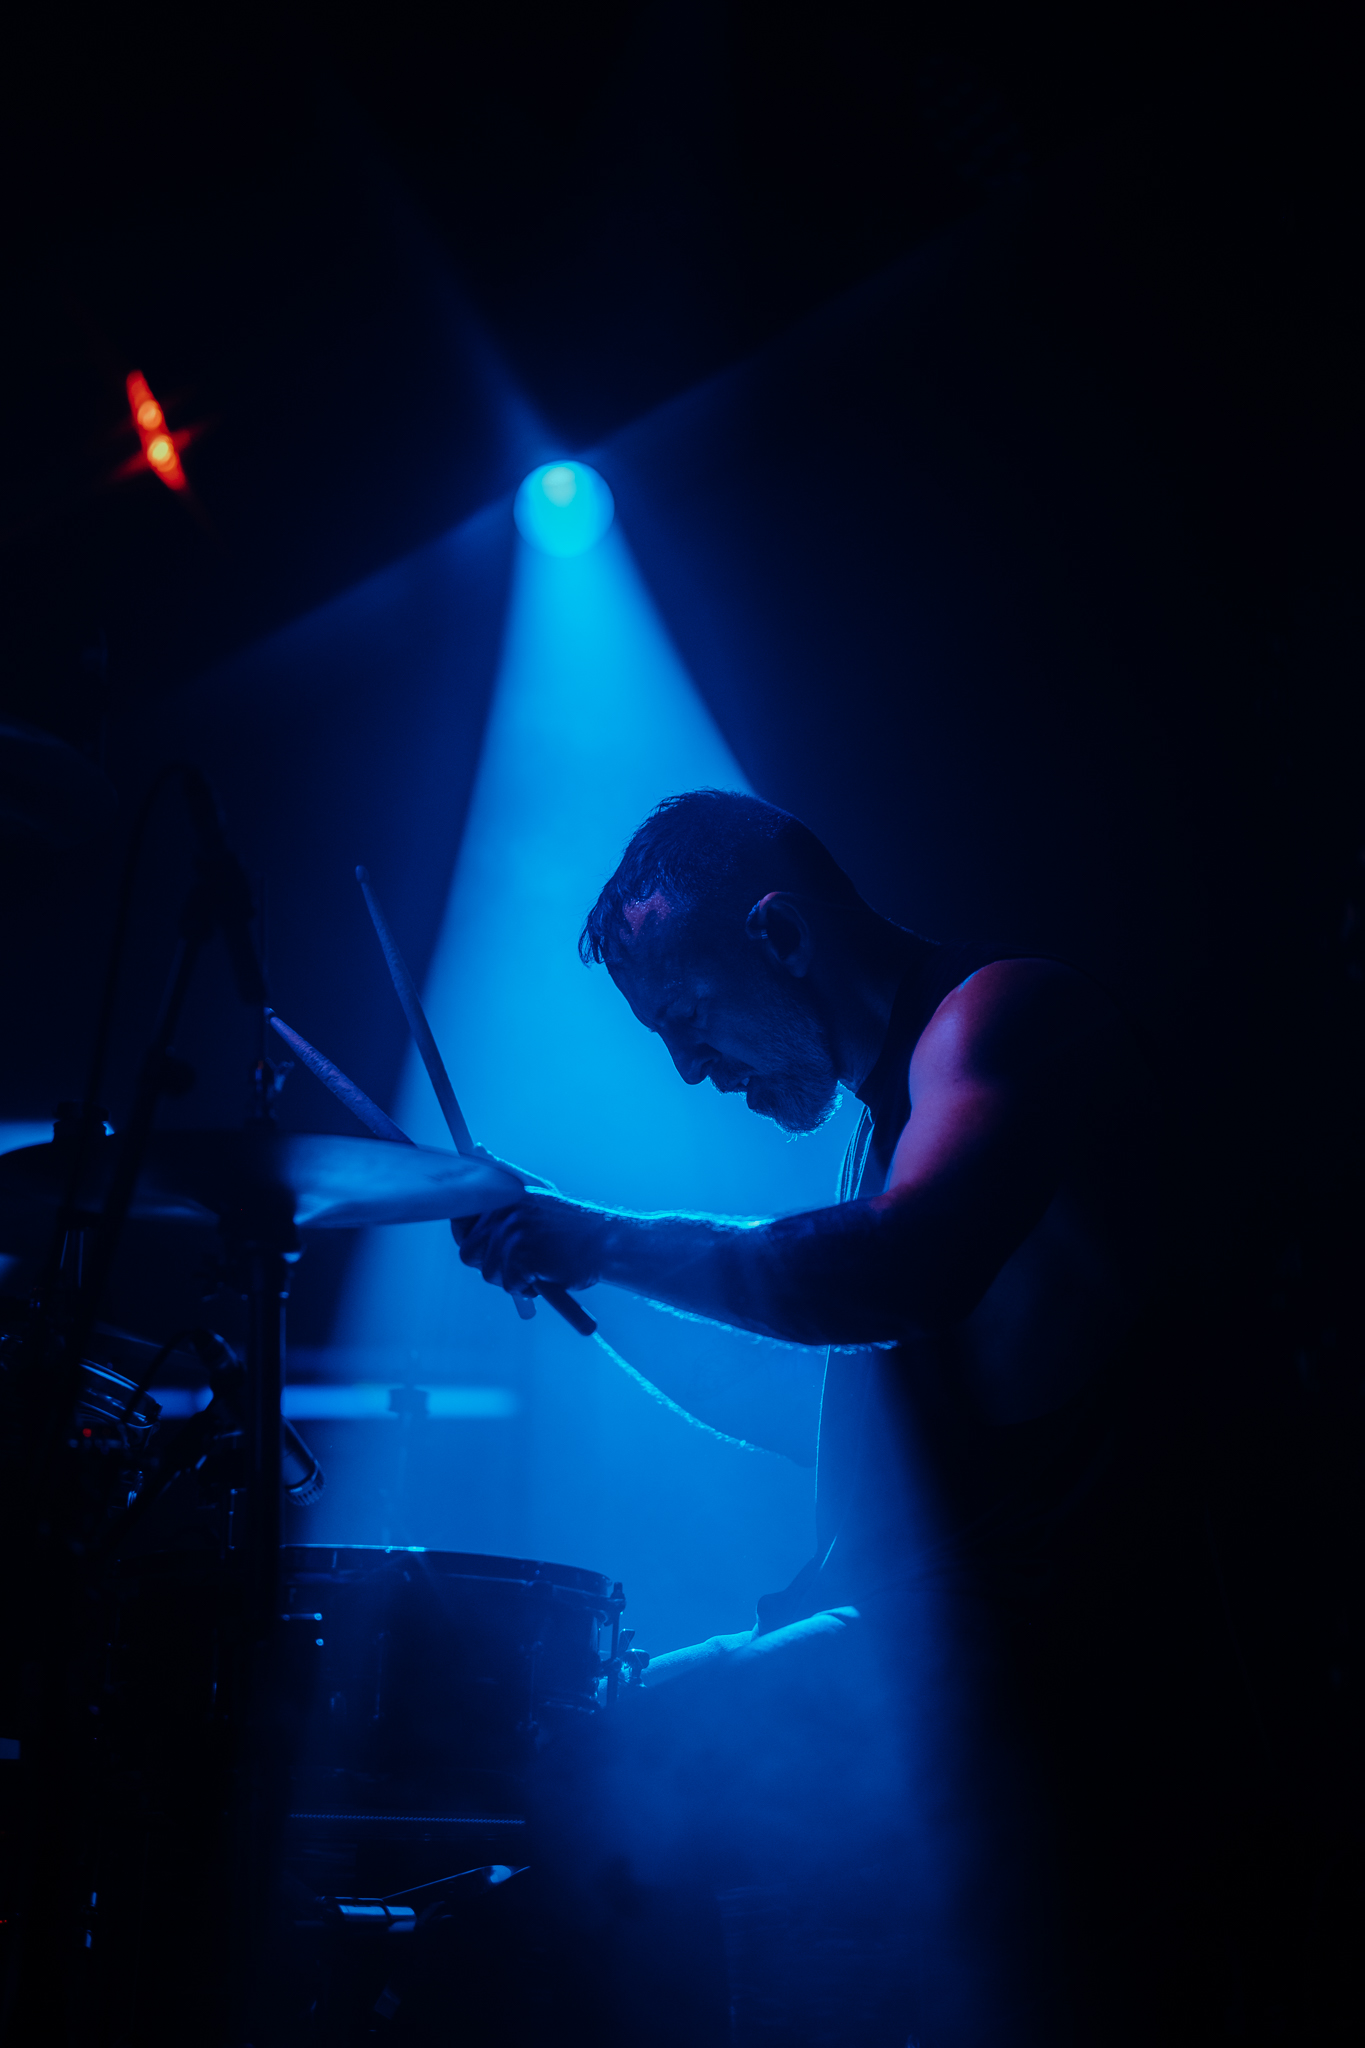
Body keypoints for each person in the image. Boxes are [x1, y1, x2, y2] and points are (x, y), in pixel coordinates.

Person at [455, 789, 1180, 2046]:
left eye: (688, 1018)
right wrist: (591, 1273)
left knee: (600, 1771)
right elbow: (826, 1397)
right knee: (581, 1758)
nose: (692, 1067)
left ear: (782, 935)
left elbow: (901, 1267)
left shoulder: (1004, 1016)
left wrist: (604, 1237)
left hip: (1053, 1655)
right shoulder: (889, 1124)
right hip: (954, 1652)